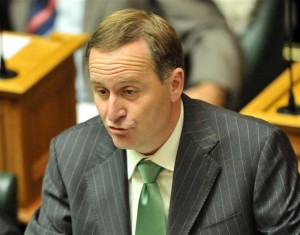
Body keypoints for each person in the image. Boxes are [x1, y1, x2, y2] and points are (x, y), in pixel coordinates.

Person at [25, 9, 300, 234]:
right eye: (102, 92)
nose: (112, 113)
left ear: (175, 84)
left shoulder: (256, 152)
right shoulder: (69, 155)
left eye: (129, 92)